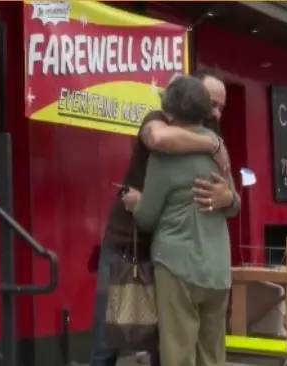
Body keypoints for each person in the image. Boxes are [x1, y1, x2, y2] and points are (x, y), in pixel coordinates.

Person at [90, 70, 234, 366]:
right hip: (128, 248)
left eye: (220, 107)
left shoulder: (211, 140)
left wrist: (229, 198)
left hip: (170, 258)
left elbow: (232, 201)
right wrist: (213, 145)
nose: (215, 113)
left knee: (166, 343)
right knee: (112, 337)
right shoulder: (157, 121)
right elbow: (158, 138)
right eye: (212, 104)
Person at [131, 76, 241, 366]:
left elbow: (146, 217)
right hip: (217, 269)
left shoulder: (163, 157)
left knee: (178, 355)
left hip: (177, 266)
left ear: (170, 112)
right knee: (212, 355)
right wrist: (228, 198)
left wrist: (134, 203)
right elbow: (234, 205)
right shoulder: (218, 148)